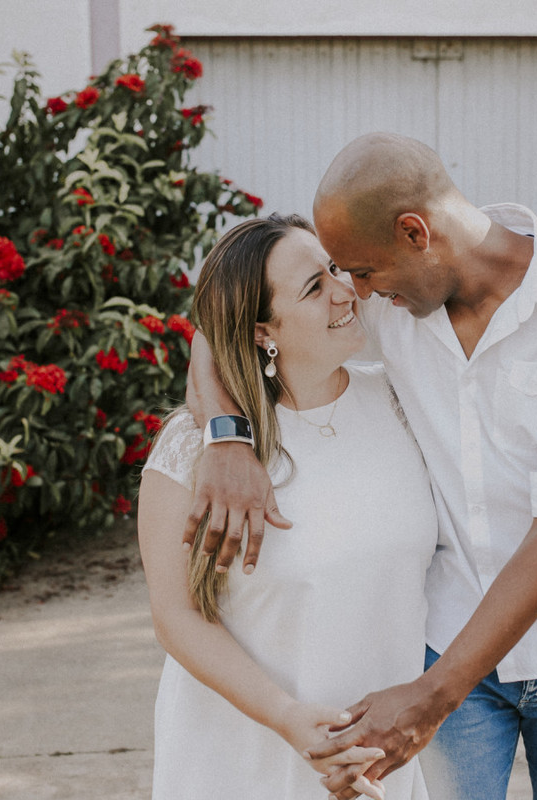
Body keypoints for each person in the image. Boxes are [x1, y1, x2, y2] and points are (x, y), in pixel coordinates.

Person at [184, 132, 537, 800]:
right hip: (448, 643)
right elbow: (223, 316)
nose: (355, 293)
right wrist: (227, 436)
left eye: (362, 272)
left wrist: (432, 698)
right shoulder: (394, 298)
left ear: (415, 233)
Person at [137, 213, 436, 800]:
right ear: (262, 332)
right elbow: (176, 617)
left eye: (334, 269)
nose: (344, 290)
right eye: (314, 288)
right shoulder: (191, 450)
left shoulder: (402, 400)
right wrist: (286, 716)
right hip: (244, 753)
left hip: (382, 750)